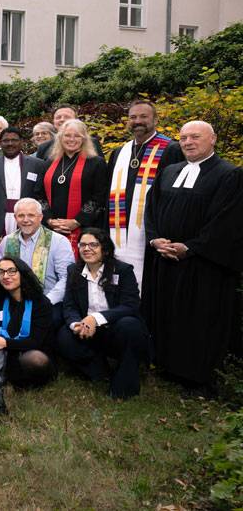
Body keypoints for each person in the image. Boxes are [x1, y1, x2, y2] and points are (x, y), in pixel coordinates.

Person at [144, 120, 243, 396]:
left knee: (200, 319)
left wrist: (190, 247)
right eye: (184, 137)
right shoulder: (169, 171)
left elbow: (226, 222)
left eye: (195, 137)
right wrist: (155, 240)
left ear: (212, 138)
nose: (188, 142)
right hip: (166, 260)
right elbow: (150, 210)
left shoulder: (229, 174)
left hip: (203, 266)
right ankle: (169, 367)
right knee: (169, 314)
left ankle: (199, 378)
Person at [57, 229, 149, 399]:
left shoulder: (122, 270)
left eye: (93, 244)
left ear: (105, 249)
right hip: (87, 331)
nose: (87, 249)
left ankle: (124, 386)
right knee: (64, 336)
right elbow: (69, 306)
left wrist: (95, 318)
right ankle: (101, 372)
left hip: (116, 329)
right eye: (83, 244)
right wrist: (77, 324)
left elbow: (131, 305)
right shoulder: (74, 271)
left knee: (130, 325)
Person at [106, 100, 184, 290]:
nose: (137, 121)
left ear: (156, 119)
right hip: (119, 230)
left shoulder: (171, 149)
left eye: (143, 116)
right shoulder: (119, 152)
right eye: (133, 117)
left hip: (154, 231)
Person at [0, 257, 56, 416]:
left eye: (11, 271)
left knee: (36, 359)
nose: (6, 276)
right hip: (7, 355)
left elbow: (36, 342)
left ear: (22, 273)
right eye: (1, 272)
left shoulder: (41, 303)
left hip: (32, 362)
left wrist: (3, 342)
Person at [0, 198, 73, 324]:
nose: (26, 220)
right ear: (15, 217)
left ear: (40, 217)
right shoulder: (8, 241)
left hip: (48, 299)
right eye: (21, 216)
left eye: (31, 215)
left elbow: (66, 278)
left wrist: (46, 302)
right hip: (13, 300)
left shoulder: (58, 242)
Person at [0, 127, 47, 256]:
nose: (10, 144)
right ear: (0, 143)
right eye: (5, 141)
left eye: (14, 140)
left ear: (21, 142)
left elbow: (42, 194)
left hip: (26, 217)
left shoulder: (37, 164)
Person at [42, 119, 108, 257]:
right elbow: (38, 194)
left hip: (85, 228)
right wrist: (49, 220)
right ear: (60, 138)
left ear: (84, 139)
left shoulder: (96, 163)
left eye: (77, 136)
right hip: (52, 229)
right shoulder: (49, 162)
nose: (71, 139)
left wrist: (77, 221)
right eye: (67, 135)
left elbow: (99, 197)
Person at [35, 104, 104, 159]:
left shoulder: (92, 143)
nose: (62, 120)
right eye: (58, 117)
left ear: (76, 120)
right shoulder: (44, 147)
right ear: (53, 122)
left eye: (67, 117)